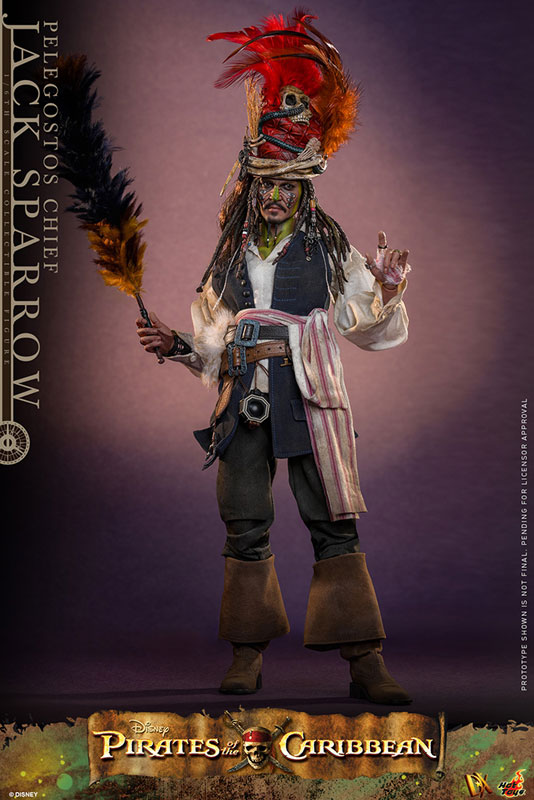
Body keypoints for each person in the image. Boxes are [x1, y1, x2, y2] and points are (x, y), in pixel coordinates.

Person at [136, 11, 412, 705]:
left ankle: (365, 663)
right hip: (244, 399)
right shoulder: (228, 255)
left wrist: (384, 288)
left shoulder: (330, 248)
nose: (274, 195)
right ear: (252, 185)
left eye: (286, 184)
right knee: (243, 520)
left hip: (311, 397)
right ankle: (247, 654)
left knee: (333, 521)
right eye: (264, 183)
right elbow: (212, 339)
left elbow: (366, 328)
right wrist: (177, 346)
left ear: (305, 187)